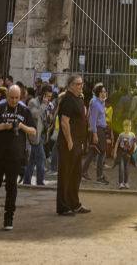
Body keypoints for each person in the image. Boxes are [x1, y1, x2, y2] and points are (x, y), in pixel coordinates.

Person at [0, 82, 35, 232]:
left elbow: (33, 131)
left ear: (20, 96)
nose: (14, 100)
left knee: (12, 188)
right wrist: (3, 126)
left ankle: (8, 220)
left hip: (15, 156)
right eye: (11, 97)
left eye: (17, 98)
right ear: (7, 96)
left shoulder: (24, 109)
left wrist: (21, 126)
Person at [56, 74, 89, 217]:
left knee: (76, 175)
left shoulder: (79, 99)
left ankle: (74, 204)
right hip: (68, 144)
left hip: (78, 143)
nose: (80, 86)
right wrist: (69, 141)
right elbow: (64, 122)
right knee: (65, 175)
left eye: (81, 83)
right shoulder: (68, 99)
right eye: (77, 84)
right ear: (70, 85)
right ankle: (63, 207)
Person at [81, 82, 108, 184]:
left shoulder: (100, 102)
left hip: (100, 129)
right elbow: (92, 120)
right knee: (101, 152)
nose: (104, 93)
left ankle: (83, 172)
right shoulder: (96, 104)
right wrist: (95, 134)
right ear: (98, 93)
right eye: (102, 92)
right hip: (98, 130)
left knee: (93, 152)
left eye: (105, 92)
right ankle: (99, 177)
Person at [114, 120, 136, 187]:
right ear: (123, 127)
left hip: (128, 153)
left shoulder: (132, 135)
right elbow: (117, 143)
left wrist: (134, 150)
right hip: (121, 152)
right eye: (126, 127)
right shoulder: (121, 135)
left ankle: (126, 182)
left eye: (129, 126)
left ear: (131, 127)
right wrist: (115, 152)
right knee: (121, 168)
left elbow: (135, 144)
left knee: (127, 168)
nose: (127, 128)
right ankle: (121, 183)